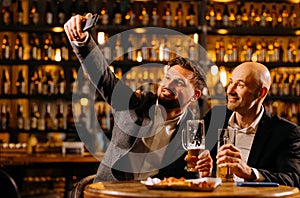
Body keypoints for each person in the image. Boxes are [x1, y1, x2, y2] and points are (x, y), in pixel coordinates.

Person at [64, 14, 213, 182]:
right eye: (167, 77)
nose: (168, 84)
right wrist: (82, 41)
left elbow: (187, 175)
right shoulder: (135, 103)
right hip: (112, 191)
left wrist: (203, 171)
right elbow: (103, 76)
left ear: (195, 95)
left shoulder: (194, 129)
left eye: (179, 82)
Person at [198, 62, 300, 188]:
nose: (230, 90)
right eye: (231, 82)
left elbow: (292, 180)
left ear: (261, 92)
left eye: (240, 85)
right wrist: (205, 174)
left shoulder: (286, 132)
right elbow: (189, 165)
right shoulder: (214, 117)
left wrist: (249, 172)